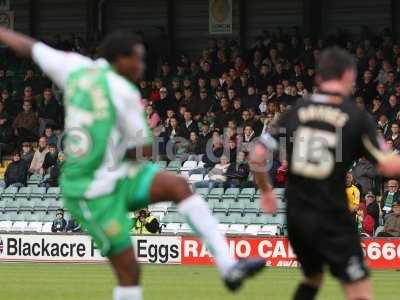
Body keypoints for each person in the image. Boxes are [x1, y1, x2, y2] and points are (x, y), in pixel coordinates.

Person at [0, 27, 265, 299]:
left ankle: (228, 265)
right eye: (138, 58)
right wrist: (163, 148)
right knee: (129, 272)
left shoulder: (74, 68)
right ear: (120, 59)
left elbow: (29, 46)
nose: (142, 65)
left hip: (116, 175)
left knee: (177, 186)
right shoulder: (122, 93)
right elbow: (143, 150)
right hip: (89, 191)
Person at [249, 47, 400, 300]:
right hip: (332, 215)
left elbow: (257, 155)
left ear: (318, 78)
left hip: (297, 216)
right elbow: (388, 166)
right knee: (359, 290)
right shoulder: (355, 116)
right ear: (350, 76)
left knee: (313, 278)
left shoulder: (294, 111)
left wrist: (266, 192)